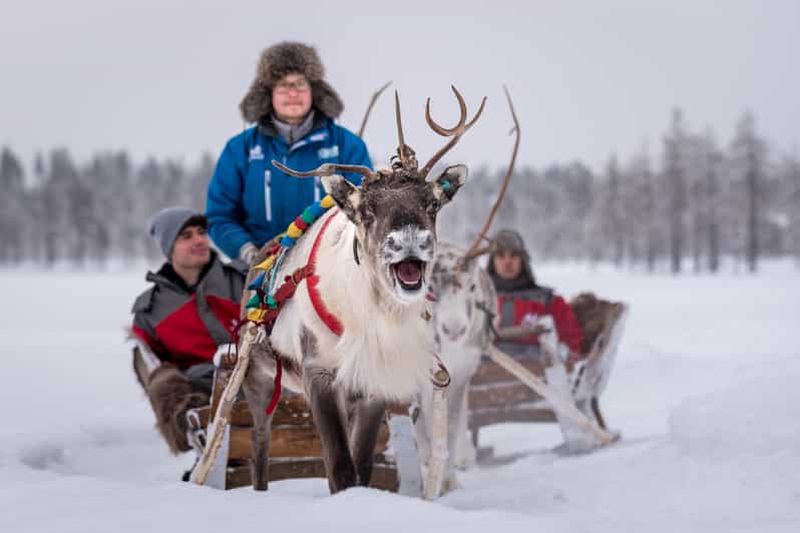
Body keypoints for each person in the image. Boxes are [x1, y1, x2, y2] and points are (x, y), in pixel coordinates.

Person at [206, 41, 372, 263]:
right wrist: (247, 251)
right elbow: (220, 215)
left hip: (327, 266)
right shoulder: (240, 149)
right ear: (268, 94)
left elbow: (365, 208)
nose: (293, 93)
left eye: (300, 84)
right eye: (283, 85)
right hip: (256, 269)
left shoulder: (347, 145)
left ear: (314, 91)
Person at [130, 206, 246, 455]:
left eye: (201, 232)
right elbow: (149, 368)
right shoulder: (150, 311)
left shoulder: (243, 281)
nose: (199, 241)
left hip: (262, 380)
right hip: (202, 395)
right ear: (169, 247)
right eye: (186, 236)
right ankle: (207, 448)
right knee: (163, 381)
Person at [487, 229, 584, 363]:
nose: (507, 262)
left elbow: (571, 346)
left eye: (514, 255)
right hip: (484, 371)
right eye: (501, 256)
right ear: (493, 262)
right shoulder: (478, 300)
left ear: (523, 260)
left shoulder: (549, 302)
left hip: (537, 374)